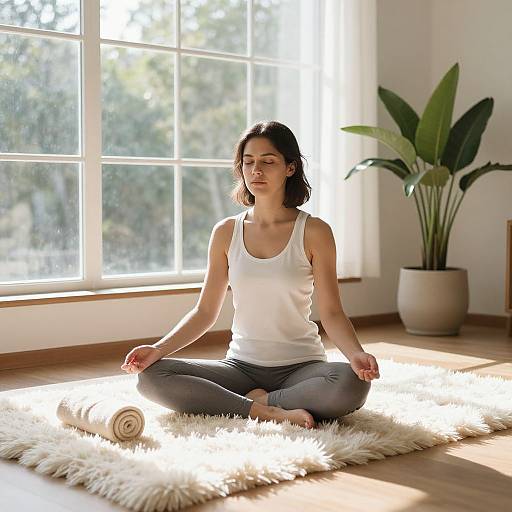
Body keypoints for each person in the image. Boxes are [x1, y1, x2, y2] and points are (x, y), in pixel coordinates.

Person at [121, 120, 380, 430]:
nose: (256, 170)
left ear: (290, 168)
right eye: (248, 162)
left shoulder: (314, 232)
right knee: (151, 377)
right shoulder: (226, 232)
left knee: (351, 382)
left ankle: (257, 401)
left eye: (268, 161)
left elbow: (332, 312)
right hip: (240, 367)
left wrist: (356, 354)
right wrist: (159, 349)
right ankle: (267, 410)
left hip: (301, 367)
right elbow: (205, 312)